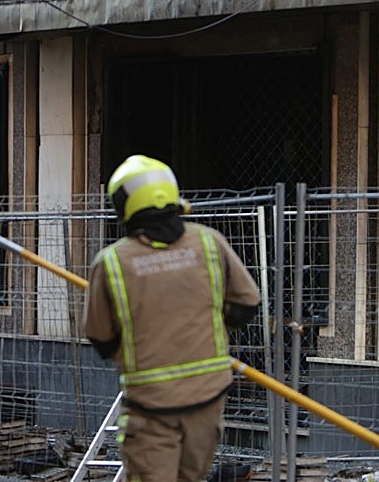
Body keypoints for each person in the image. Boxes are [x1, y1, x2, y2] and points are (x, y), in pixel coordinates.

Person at [83, 155, 261, 482]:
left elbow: (102, 340)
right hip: (207, 399)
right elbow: (247, 304)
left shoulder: (111, 263)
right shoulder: (208, 242)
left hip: (151, 406)